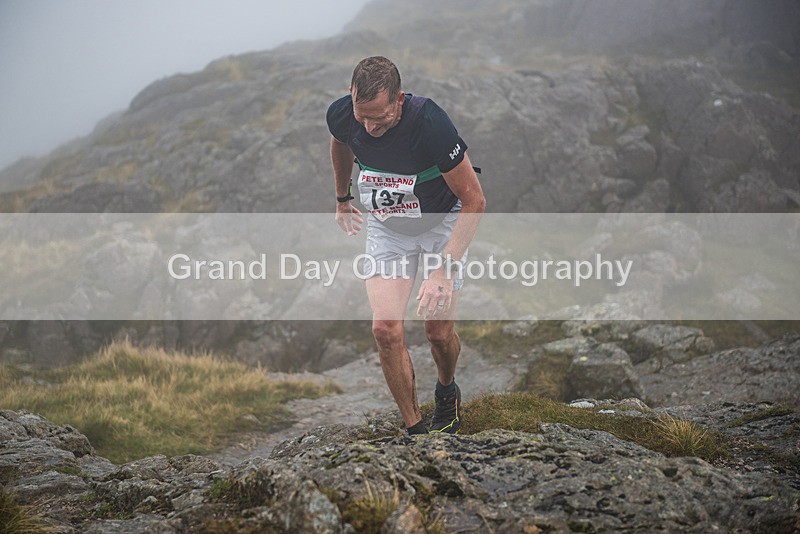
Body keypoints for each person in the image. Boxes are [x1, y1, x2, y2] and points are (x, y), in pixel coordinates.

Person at [327, 56, 485, 435]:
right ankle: (415, 429)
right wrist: (341, 197)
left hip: (440, 223)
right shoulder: (344, 115)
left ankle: (446, 389)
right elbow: (341, 144)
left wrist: (443, 269)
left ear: (398, 99)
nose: (368, 126)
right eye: (361, 115)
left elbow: (475, 201)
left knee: (438, 333)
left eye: (378, 117)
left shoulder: (430, 123)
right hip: (388, 228)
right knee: (385, 329)